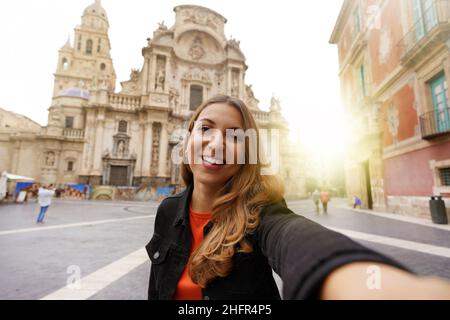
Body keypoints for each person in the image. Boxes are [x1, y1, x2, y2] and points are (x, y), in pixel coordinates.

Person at [146, 95, 450, 300]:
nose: (216, 143)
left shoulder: (260, 212)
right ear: (187, 140)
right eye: (206, 128)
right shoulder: (168, 211)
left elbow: (294, 238)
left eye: (235, 136)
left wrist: (351, 274)